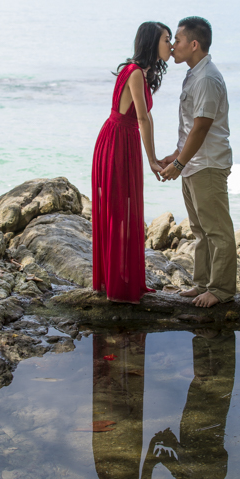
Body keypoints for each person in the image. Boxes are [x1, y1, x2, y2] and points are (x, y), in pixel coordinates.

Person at [92, 22, 172, 303]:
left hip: (120, 138)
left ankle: (121, 281)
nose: (171, 45)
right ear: (152, 42)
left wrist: (150, 155)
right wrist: (152, 159)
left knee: (125, 210)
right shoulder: (135, 72)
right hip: (118, 141)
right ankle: (118, 288)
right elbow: (143, 117)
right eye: (166, 39)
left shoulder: (138, 71)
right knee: (120, 211)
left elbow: (142, 119)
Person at [160, 16, 237, 308]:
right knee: (200, 230)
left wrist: (178, 164)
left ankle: (221, 290)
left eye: (177, 40)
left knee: (217, 230)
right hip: (194, 163)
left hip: (207, 164)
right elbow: (191, 126)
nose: (173, 46)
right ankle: (203, 283)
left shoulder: (206, 77)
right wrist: (176, 156)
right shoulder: (194, 73)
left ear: (194, 44)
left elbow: (201, 127)